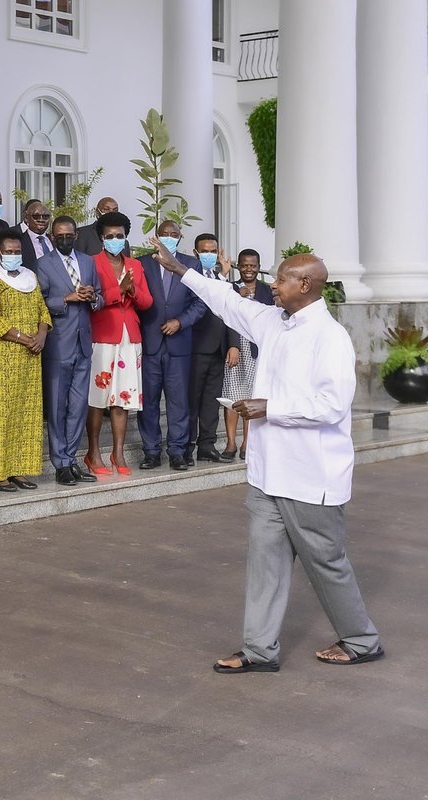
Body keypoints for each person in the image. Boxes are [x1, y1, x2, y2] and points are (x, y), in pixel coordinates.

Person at [151, 241, 384, 673]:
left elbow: (333, 405)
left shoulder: (329, 337)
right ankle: (260, 650)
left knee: (326, 563)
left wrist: (271, 409)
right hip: (267, 473)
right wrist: (181, 270)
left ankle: (361, 639)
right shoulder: (275, 321)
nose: (272, 286)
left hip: (311, 475)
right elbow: (225, 301)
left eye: (280, 279)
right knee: (265, 562)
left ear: (306, 284)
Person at [0, 231, 51, 491]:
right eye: (9, 251)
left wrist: (42, 334)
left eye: (17, 251)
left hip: (27, 355)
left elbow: (42, 309)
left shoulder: (30, 277)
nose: (14, 255)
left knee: (24, 412)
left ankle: (17, 469)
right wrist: (25, 339)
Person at [36, 215, 103, 486]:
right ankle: (59, 463)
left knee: (78, 406)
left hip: (83, 343)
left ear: (76, 236)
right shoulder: (43, 264)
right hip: (57, 343)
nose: (64, 239)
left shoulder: (87, 261)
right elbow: (39, 301)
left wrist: (93, 297)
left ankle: (72, 459)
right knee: (57, 407)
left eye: (69, 235)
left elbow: (100, 296)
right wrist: (67, 298)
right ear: (53, 237)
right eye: (59, 235)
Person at [85, 211, 153, 476]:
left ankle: (119, 452)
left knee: (122, 398)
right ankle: (93, 453)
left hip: (130, 338)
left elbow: (147, 302)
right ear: (102, 238)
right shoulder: (92, 263)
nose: (115, 239)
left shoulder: (135, 265)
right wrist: (120, 290)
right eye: (110, 236)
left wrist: (133, 290)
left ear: (126, 237)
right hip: (102, 335)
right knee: (97, 397)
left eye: (120, 236)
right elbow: (93, 299)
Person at [137, 220, 207, 471]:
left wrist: (180, 321)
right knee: (149, 402)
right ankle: (151, 451)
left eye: (173, 235)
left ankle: (177, 451)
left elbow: (200, 302)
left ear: (180, 237)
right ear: (156, 236)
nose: (168, 237)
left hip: (179, 344)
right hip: (150, 343)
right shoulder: (144, 263)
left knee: (178, 402)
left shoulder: (191, 264)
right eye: (164, 234)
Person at [186, 233, 236, 464]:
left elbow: (231, 312)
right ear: (196, 253)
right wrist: (222, 279)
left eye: (213, 251)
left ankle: (207, 446)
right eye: (204, 251)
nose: (209, 255)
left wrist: (233, 344)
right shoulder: (190, 277)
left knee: (210, 402)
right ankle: (186, 447)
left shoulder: (222, 278)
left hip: (218, 349)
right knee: (191, 401)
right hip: (195, 348)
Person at [222, 249, 274, 460]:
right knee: (233, 396)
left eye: (253, 265)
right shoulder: (231, 288)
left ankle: (247, 443)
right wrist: (233, 345)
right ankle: (231, 443)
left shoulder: (268, 290)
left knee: (253, 395)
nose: (248, 269)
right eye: (244, 265)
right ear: (239, 266)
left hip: (259, 350)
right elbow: (227, 318)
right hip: (235, 348)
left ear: (258, 267)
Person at [18, 200, 52, 271]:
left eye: (45, 216)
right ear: (26, 218)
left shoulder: (55, 241)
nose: (41, 220)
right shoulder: (18, 241)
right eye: (36, 216)